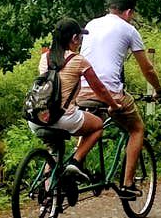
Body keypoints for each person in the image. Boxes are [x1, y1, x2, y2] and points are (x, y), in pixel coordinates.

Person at [78, 0, 161, 199]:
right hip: (109, 93)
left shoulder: (91, 24)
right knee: (137, 129)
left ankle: (76, 163)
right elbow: (148, 69)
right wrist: (159, 91)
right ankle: (127, 184)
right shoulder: (129, 29)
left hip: (81, 88)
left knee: (90, 125)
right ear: (128, 12)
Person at [33, 17, 121, 180]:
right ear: (74, 38)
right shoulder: (78, 60)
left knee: (54, 152)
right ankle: (76, 161)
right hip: (63, 117)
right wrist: (113, 105)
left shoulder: (45, 57)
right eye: (80, 38)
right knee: (98, 126)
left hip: (37, 117)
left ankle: (47, 197)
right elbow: (100, 89)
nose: (80, 42)